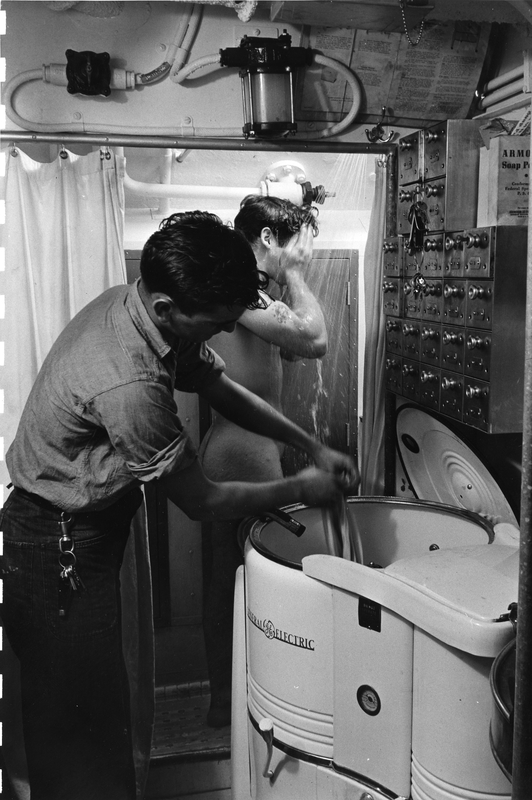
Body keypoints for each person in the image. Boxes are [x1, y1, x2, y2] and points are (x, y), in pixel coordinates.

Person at [0, 209, 359, 800]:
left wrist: (310, 445)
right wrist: (303, 488)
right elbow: (201, 498)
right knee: (81, 734)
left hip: (76, 527)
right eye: (218, 323)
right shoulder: (130, 380)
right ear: (169, 308)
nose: (228, 332)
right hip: (55, 544)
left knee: (92, 711)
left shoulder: (149, 309)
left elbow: (221, 388)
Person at [200, 195, 328, 727]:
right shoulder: (243, 294)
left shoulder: (255, 297)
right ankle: (234, 702)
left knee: (234, 578)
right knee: (244, 580)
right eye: (294, 246)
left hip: (244, 450)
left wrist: (288, 283)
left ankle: (230, 700)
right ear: (268, 240)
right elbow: (316, 339)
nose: (301, 256)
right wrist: (295, 275)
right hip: (241, 453)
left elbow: (295, 346)